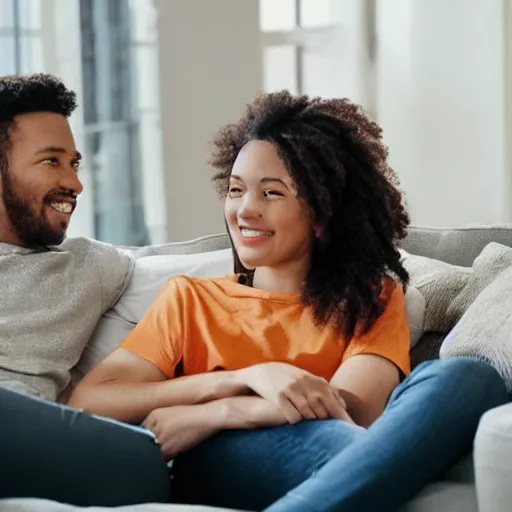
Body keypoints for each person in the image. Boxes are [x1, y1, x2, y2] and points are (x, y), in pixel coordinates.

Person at [69, 91, 508, 512]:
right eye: (237, 190)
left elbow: (354, 410)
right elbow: (90, 400)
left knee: (467, 377)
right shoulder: (191, 299)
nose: (245, 210)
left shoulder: (370, 299)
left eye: (271, 192)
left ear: (321, 212)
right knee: (352, 451)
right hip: (219, 461)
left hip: (331, 448)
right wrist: (240, 384)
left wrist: (226, 412)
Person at [0, 74, 170, 505]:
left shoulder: (87, 265)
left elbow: (191, 263)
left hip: (40, 439)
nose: (74, 184)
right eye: (51, 161)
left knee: (145, 463)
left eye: (73, 163)